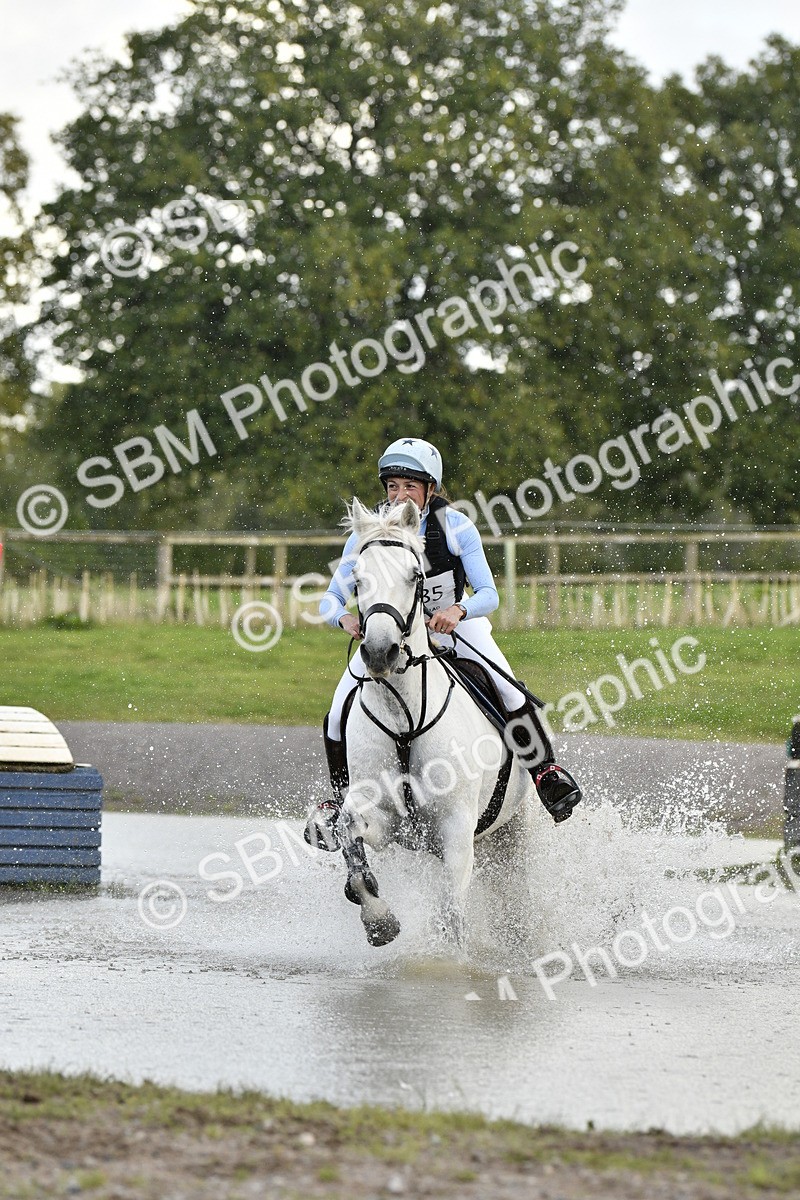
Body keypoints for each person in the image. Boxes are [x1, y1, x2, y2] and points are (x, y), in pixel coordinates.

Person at [305, 437, 582, 849]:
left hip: (454, 627)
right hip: (395, 633)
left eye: (410, 487)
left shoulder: (455, 527)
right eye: (393, 486)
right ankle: (342, 800)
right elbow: (330, 597)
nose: (399, 496)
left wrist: (459, 612)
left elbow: (489, 593)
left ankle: (545, 773)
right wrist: (343, 616)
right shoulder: (369, 533)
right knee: (336, 711)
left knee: (507, 689)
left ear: (430, 489)